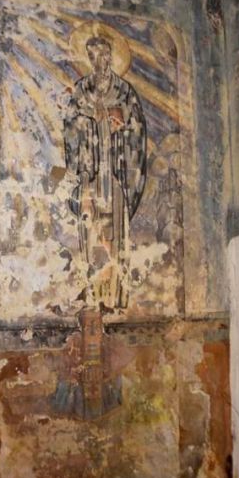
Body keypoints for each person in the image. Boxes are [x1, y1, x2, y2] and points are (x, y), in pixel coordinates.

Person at [64, 36, 147, 309]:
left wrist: (116, 120)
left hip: (116, 173)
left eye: (103, 55)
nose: (99, 60)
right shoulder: (82, 89)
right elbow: (71, 124)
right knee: (90, 232)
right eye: (93, 56)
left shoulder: (124, 91)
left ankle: (115, 295)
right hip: (91, 174)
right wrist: (88, 120)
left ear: (111, 56)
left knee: (115, 234)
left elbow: (136, 128)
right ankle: (91, 293)